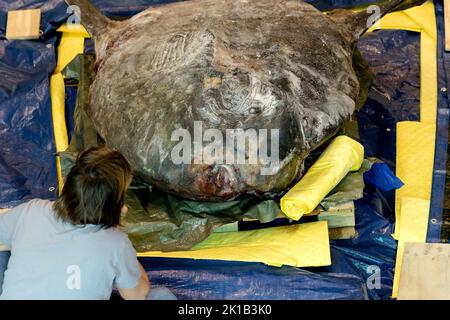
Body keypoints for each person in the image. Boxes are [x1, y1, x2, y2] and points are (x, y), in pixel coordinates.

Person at [0, 146, 175, 300]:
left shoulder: (31, 211)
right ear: (112, 206)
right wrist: (116, 232)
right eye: (123, 196)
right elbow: (136, 295)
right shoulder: (115, 242)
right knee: (161, 296)